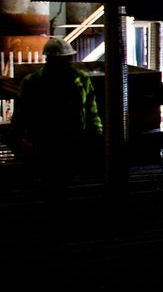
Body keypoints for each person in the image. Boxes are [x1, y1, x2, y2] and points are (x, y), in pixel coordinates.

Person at [11, 37, 103, 205]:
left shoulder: (80, 79)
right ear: (50, 60)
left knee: (63, 179)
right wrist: (17, 138)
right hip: (46, 139)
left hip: (69, 137)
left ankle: (58, 209)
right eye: (61, 59)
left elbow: (91, 108)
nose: (65, 62)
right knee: (53, 180)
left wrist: (96, 131)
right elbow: (21, 113)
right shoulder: (33, 82)